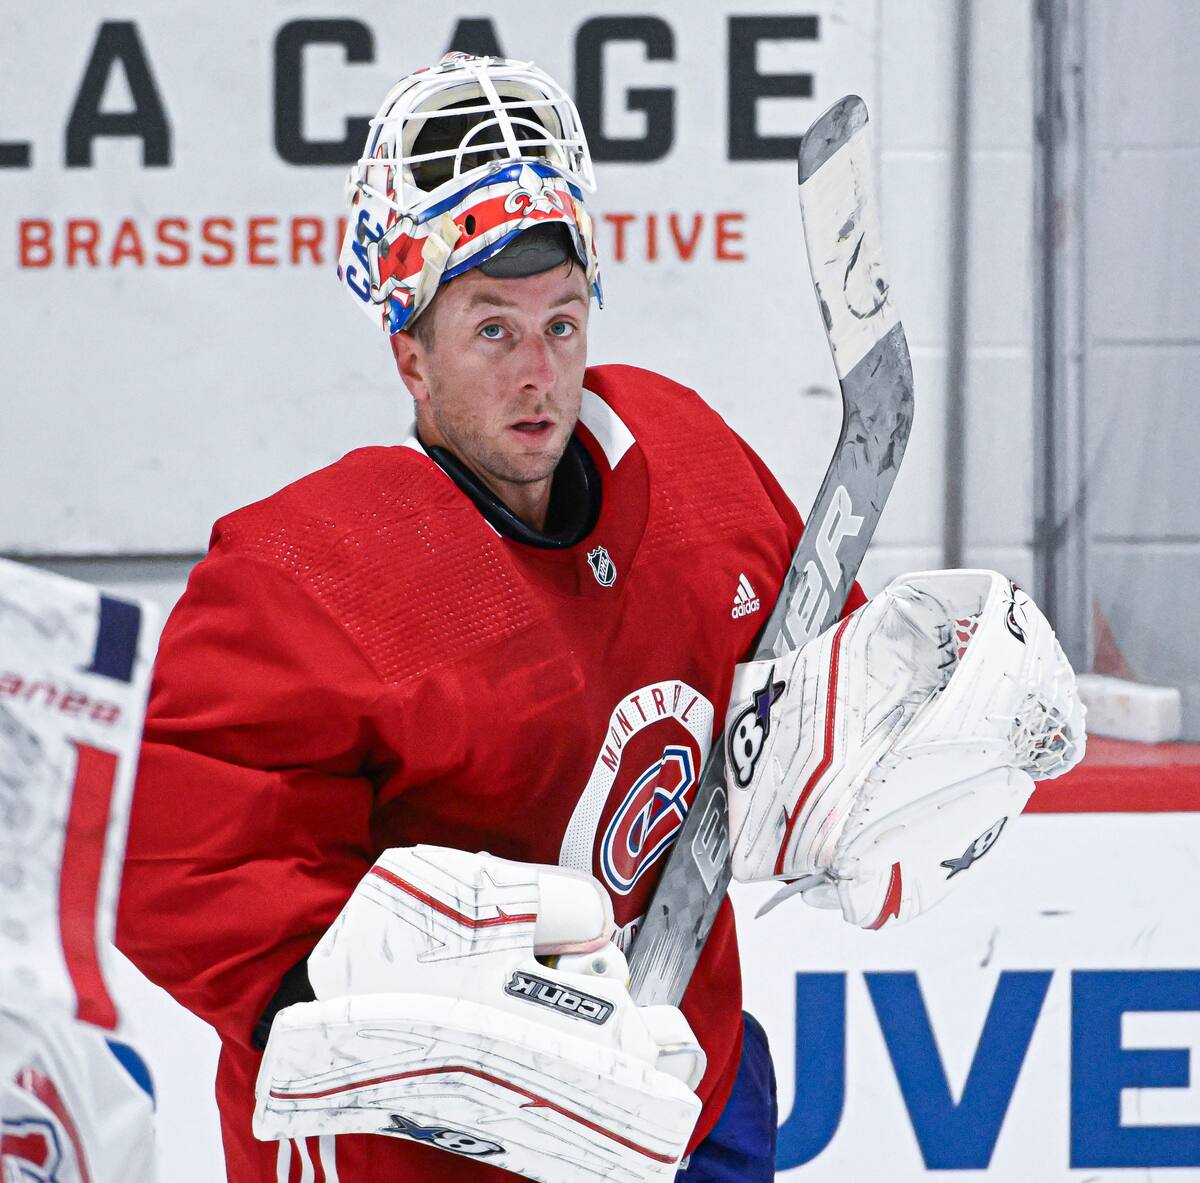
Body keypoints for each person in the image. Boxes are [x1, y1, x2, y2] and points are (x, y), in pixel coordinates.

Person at [116, 52, 1084, 1183]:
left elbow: (810, 683)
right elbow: (179, 866)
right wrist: (413, 1021)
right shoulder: (302, 578)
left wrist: (890, 738)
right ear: (409, 354)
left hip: (682, 1093)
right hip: (429, 1157)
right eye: (491, 330)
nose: (539, 372)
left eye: (562, 322)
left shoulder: (689, 464)